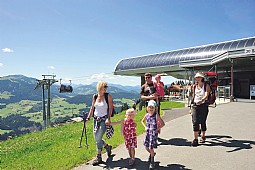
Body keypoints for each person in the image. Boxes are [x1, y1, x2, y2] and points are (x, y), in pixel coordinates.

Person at [86, 80, 113, 165]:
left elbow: (111, 108)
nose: (106, 88)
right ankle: (107, 147)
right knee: (96, 138)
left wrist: (108, 118)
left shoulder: (107, 96)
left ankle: (99, 157)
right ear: (100, 87)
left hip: (104, 120)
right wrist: (88, 117)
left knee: (98, 137)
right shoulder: (95, 96)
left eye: (106, 87)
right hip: (96, 120)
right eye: (104, 87)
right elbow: (92, 108)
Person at [141, 100, 165, 169]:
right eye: (149, 107)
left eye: (152, 108)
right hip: (148, 133)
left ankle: (152, 162)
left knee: (151, 148)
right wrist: (145, 126)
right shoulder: (147, 115)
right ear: (147, 108)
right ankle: (152, 154)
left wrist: (157, 129)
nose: (151, 109)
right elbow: (142, 121)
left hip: (153, 134)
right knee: (146, 147)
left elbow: (163, 124)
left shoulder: (156, 116)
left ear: (155, 109)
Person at [190, 72, 210, 147]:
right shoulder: (194, 86)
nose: (197, 78)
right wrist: (191, 107)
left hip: (203, 105)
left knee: (202, 121)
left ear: (202, 78)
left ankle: (203, 136)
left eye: (198, 77)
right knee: (195, 122)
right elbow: (193, 96)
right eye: (196, 77)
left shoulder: (206, 85)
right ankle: (195, 139)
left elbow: (206, 94)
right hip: (195, 106)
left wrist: (201, 100)